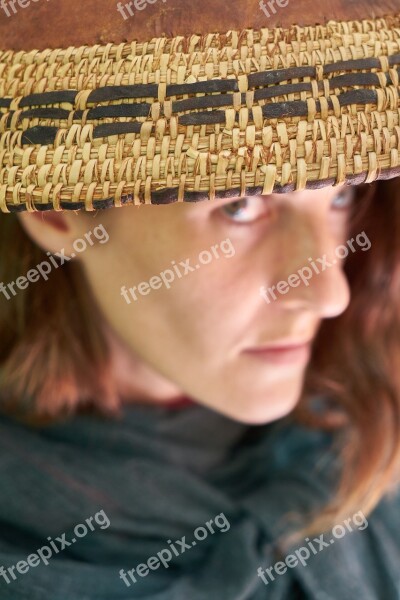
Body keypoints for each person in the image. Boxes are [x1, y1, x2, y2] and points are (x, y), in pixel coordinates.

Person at [0, 0, 399, 598]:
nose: (329, 292)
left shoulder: (369, 434)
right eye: (240, 206)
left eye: (341, 198)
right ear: (57, 211)